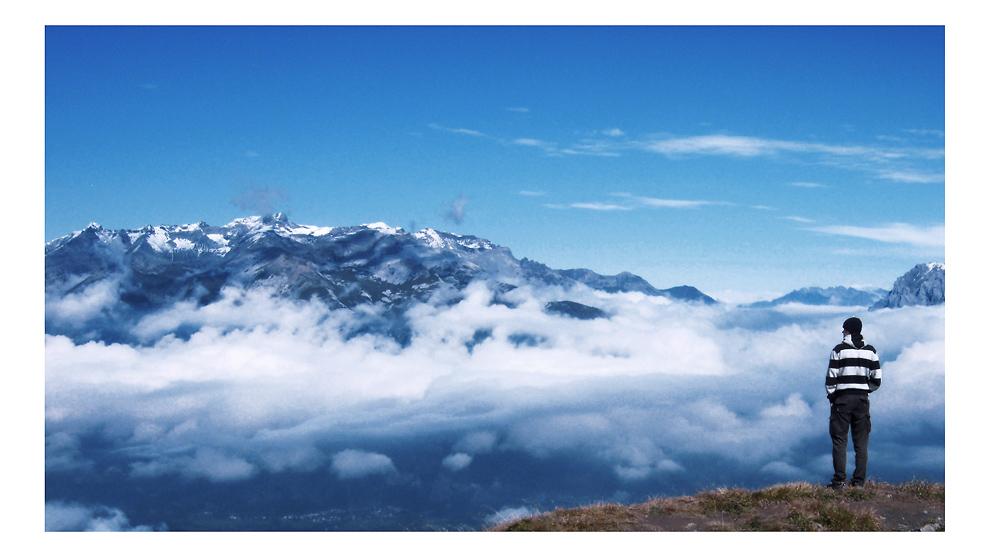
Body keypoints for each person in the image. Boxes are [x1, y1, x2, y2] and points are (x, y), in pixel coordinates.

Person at [825, 317, 882, 489]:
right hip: (862, 400)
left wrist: (832, 398)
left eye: (844, 329)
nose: (842, 332)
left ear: (848, 330)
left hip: (842, 400)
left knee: (840, 441)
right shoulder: (871, 351)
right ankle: (858, 482)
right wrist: (865, 390)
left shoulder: (838, 350)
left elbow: (831, 378)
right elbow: (877, 379)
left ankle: (839, 481)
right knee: (861, 443)